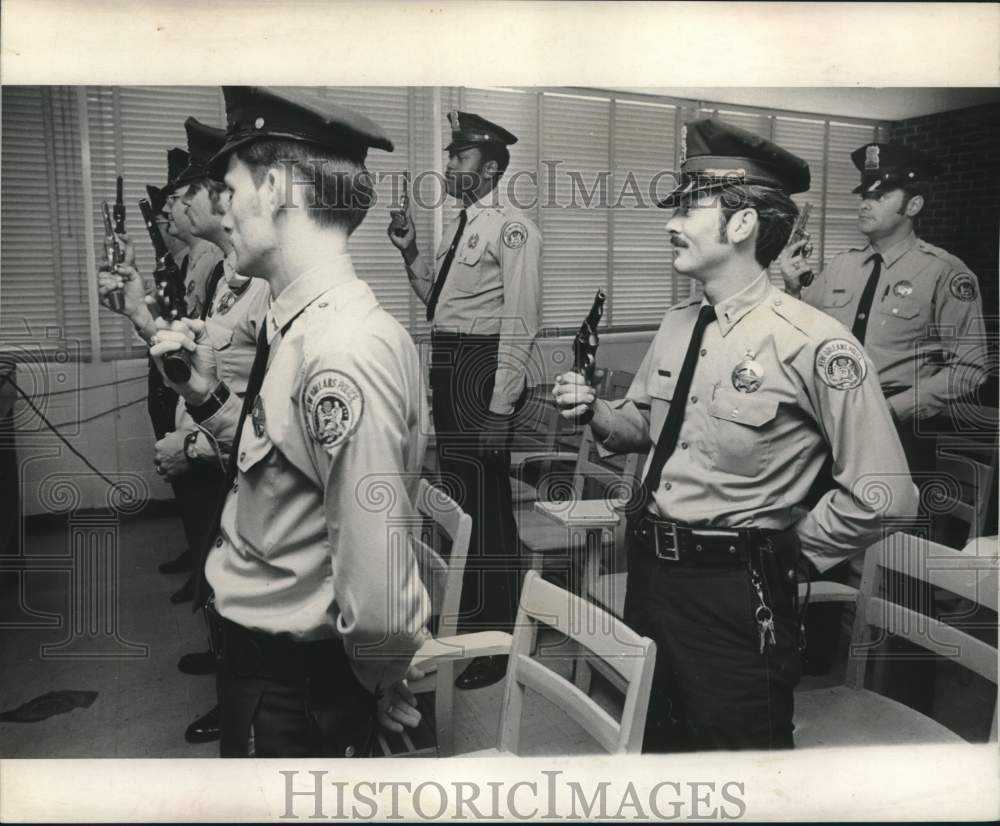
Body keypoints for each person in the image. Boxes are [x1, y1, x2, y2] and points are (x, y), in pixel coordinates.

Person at [552, 118, 918, 751]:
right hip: (650, 570)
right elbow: (648, 425)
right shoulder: (675, 324)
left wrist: (786, 552)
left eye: (689, 208)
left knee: (739, 764)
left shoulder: (813, 343)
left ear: (742, 224)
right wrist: (597, 415)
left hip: (738, 593)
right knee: (659, 748)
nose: (671, 223)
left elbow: (885, 493)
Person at [149, 86, 430, 758]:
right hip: (270, 671)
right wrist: (209, 393)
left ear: (274, 185)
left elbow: (381, 592)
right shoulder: (296, 324)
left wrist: (374, 684)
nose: (221, 205)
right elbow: (281, 473)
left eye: (229, 185)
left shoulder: (340, 350)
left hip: (301, 691)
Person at [778, 142, 989, 708]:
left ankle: (906, 692)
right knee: (816, 541)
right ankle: (813, 658)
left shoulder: (946, 274)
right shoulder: (841, 267)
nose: (866, 201)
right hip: (832, 429)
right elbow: (801, 336)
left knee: (900, 569)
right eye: (863, 193)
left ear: (914, 202)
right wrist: (795, 286)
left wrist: (895, 407)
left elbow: (971, 369)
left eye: (881, 192)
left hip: (902, 433)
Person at [388, 110, 542, 690]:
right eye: (451, 154)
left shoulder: (514, 229)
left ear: (492, 166)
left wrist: (501, 410)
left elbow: (520, 323)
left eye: (461, 156)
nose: (449, 164)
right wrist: (409, 255)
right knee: (462, 501)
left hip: (480, 376)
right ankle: (468, 620)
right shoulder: (462, 226)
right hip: (451, 364)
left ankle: (496, 641)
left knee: (487, 511)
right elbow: (440, 306)